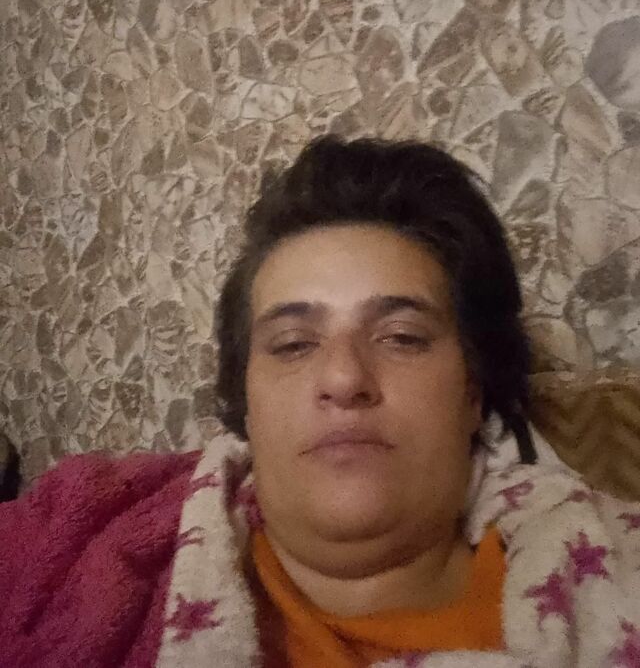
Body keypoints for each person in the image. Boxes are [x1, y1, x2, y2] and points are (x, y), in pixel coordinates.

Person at [0, 135, 639, 668]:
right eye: (293, 344)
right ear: (245, 399)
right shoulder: (68, 536)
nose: (343, 377)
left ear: (474, 391)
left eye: (402, 337)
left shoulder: (619, 575)